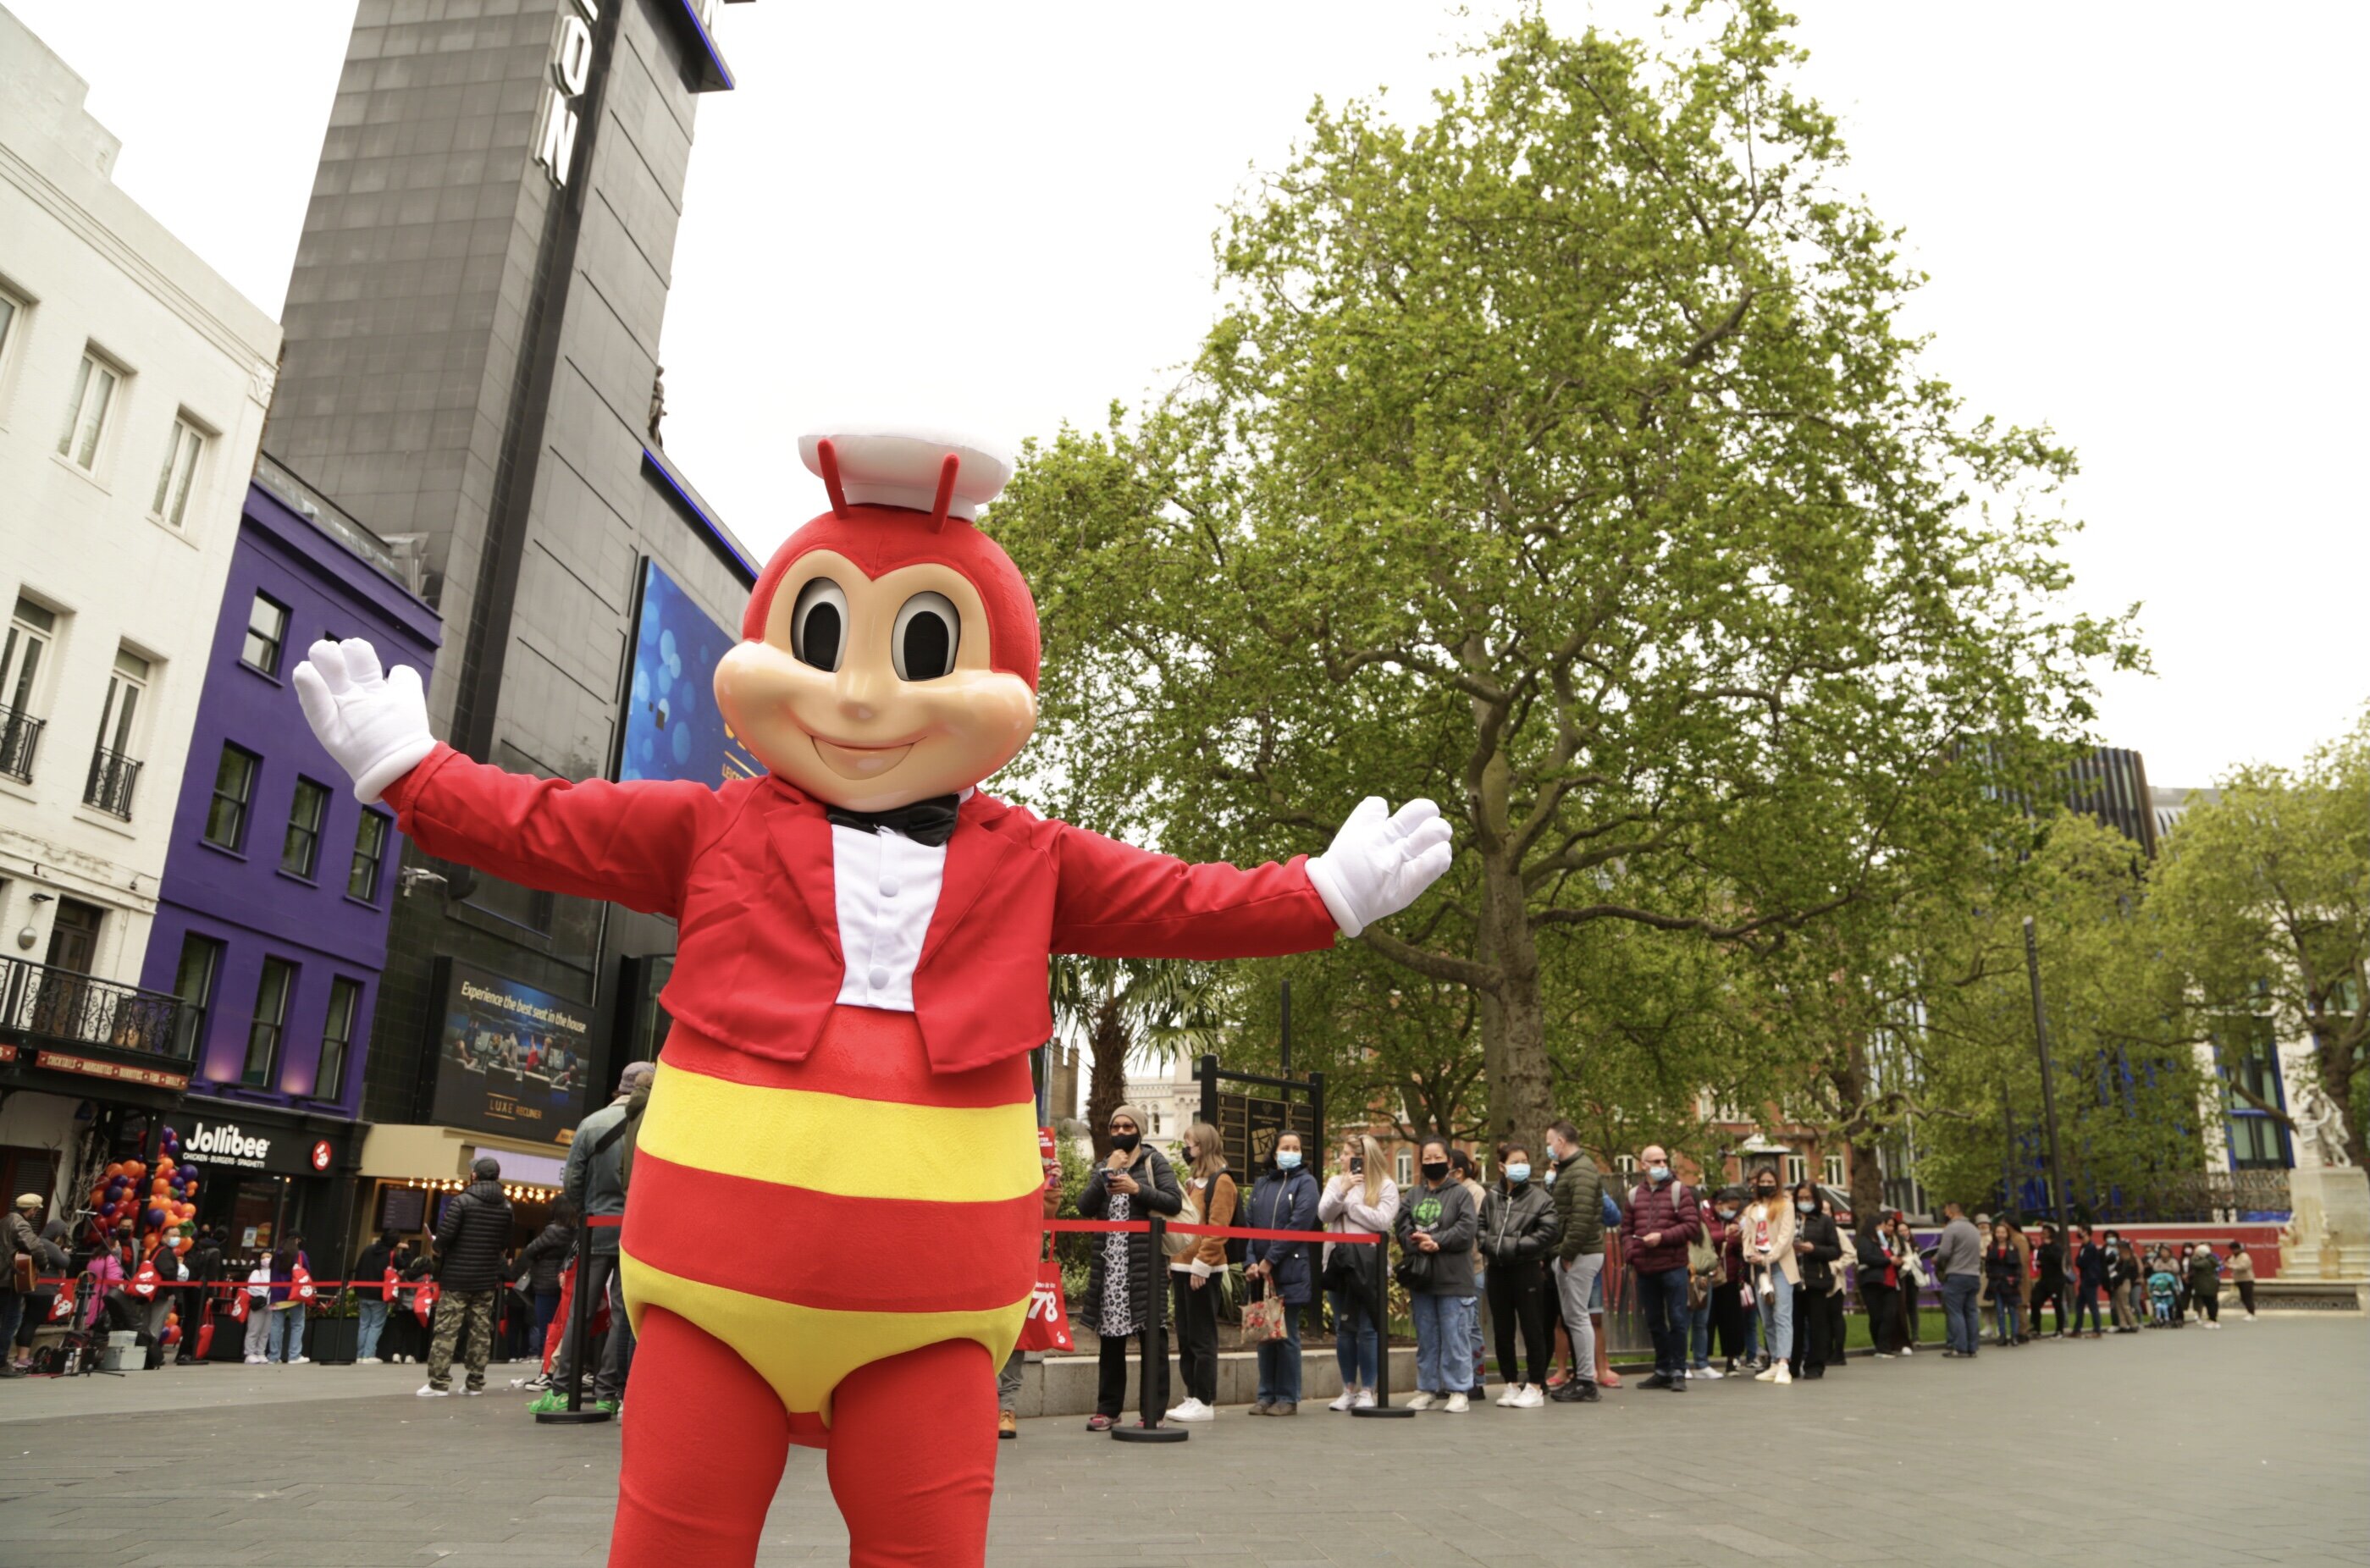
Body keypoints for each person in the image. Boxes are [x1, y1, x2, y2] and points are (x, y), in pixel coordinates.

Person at [532, 1061, 652, 1416]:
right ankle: (608, 1390)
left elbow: (572, 1182)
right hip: (635, 1230)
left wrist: (588, 1210)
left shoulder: (591, 1123)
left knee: (580, 1311)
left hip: (597, 1226)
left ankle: (561, 1385)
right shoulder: (653, 1124)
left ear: (619, 1086)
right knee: (623, 1312)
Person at [1079, 1105, 1182, 1431]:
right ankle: (1108, 1409)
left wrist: (1138, 1189)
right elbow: (1084, 1207)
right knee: (1110, 1341)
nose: (1121, 1132)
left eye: (1127, 1127)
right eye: (1116, 1127)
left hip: (1144, 1266)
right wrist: (1105, 1173)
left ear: (1139, 1129)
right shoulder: (1104, 1165)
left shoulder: (1154, 1162)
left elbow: (1173, 1202)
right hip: (1111, 1268)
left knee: (1153, 1340)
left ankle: (1153, 1411)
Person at [1395, 1138, 1479, 1411]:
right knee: (1427, 1337)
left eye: (1437, 1158)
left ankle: (1459, 1389)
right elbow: (1402, 1224)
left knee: (1456, 1336)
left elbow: (1466, 1230)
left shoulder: (1461, 1194)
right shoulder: (1413, 1195)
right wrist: (1416, 1241)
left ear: (1450, 1162)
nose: (1432, 1163)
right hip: (1422, 1278)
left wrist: (1437, 1241)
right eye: (1427, 1159)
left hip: (1454, 1278)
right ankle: (1427, 1387)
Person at [420, 1157, 512, 1397]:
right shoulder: (506, 1206)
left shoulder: (462, 1202)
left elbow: (446, 1237)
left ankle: (438, 1383)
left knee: (447, 1329)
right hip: (486, 1278)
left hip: (457, 1277)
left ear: (474, 1175)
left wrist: (437, 1246)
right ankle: (474, 1383)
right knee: (481, 1330)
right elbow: (504, 1243)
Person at [1244, 1131, 1320, 1416]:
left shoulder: (1306, 1183)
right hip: (1259, 1274)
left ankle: (1288, 1397)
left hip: (1289, 1271)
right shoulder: (1262, 1184)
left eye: (1296, 1148)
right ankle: (1266, 1395)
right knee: (1265, 1334)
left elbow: (1298, 1225)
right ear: (1274, 1152)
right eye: (1285, 1147)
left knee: (1286, 1335)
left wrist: (1270, 1260)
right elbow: (1248, 1226)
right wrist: (1251, 1262)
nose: (1291, 1151)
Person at [1164, 1121, 1236, 1423]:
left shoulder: (1222, 1181)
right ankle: (1192, 1394)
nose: (1186, 1148)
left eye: (1190, 1143)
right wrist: (1173, 1260)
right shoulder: (1193, 1181)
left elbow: (1218, 1228)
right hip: (1182, 1266)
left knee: (1202, 1335)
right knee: (1185, 1334)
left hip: (1202, 1269)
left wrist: (1202, 1264)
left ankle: (1204, 1399)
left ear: (1203, 1146)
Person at [1478, 1142, 1560, 1407]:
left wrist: (1515, 1246)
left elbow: (1547, 1233)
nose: (1520, 1166)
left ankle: (1535, 1384)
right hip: (1497, 1270)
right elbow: (1480, 1226)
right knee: (1503, 1330)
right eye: (1514, 1161)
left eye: (1524, 1160)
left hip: (1527, 1269)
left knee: (1532, 1327)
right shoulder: (1492, 1196)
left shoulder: (1541, 1198)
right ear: (1502, 1166)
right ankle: (1510, 1382)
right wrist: (1490, 1245)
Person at [1318, 1135, 1396, 1411]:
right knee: (1344, 1328)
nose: (1341, 1159)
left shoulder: (1385, 1185)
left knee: (1367, 1329)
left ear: (1363, 1158)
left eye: (1347, 1154)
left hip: (1369, 1265)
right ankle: (1347, 1388)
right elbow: (1324, 1214)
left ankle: (1368, 1389)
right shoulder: (1335, 1183)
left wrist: (1351, 1205)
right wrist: (1343, 1191)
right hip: (1339, 1264)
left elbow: (1383, 1221)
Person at [1617, 1144, 1701, 1394]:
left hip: (1673, 1266)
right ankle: (1662, 1369)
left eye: (1664, 1161)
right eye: (1656, 1161)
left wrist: (1662, 1237)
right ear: (1643, 1165)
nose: (1662, 1165)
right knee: (1653, 1321)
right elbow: (1626, 1231)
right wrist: (1632, 1255)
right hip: (1645, 1269)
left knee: (1677, 1319)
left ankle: (1678, 1370)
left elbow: (1691, 1226)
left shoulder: (1679, 1191)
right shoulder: (1634, 1195)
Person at [1541, 1121, 1605, 1403]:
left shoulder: (1581, 1171)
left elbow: (1580, 1218)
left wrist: (1566, 1253)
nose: (1548, 1147)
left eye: (1549, 1141)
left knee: (1577, 1317)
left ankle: (1585, 1381)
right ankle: (1583, 1379)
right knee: (1574, 1317)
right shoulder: (1572, 1170)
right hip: (1574, 1253)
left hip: (1578, 1254)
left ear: (1561, 1142)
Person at [1736, 1168, 1796, 1384]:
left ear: (1777, 1184)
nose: (1766, 1184)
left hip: (1780, 1265)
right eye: (1763, 1181)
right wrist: (1748, 1254)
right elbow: (1746, 1236)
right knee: (1767, 1317)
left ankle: (1783, 1363)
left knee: (1782, 1314)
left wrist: (1769, 1257)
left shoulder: (1786, 1206)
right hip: (1758, 1267)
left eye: (1771, 1181)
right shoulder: (1751, 1209)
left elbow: (1786, 1237)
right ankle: (1772, 1362)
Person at [513, 1202, 573, 1383]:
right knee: (561, 1329)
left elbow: (530, 1251)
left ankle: (546, 1371)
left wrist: (540, 1258)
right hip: (565, 1283)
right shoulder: (577, 1233)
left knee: (547, 1329)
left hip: (546, 1285)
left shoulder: (553, 1231)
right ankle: (557, 1369)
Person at [1786, 1183, 1841, 1379]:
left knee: (1818, 1324)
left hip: (1816, 1279)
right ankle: (1791, 1365)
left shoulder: (1824, 1221)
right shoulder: (1789, 1219)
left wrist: (1814, 1249)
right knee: (1794, 1325)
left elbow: (1836, 1250)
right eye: (1800, 1198)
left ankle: (1815, 1365)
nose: (1804, 1202)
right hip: (1792, 1280)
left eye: (1808, 1198)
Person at [1451, 1148, 1489, 1400]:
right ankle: (1457, 1378)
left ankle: (1476, 1379)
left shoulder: (1475, 1192)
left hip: (1471, 1267)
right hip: (1450, 1270)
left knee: (1470, 1325)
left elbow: (1471, 1232)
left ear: (1459, 1171)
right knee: (1454, 1325)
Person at [1710, 1188, 1760, 1373]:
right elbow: (1706, 1238)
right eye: (1730, 1207)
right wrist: (1725, 1235)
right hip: (1711, 1275)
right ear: (1720, 1205)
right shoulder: (1708, 1218)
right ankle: (1703, 1360)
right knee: (1708, 1320)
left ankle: (1733, 1358)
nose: (1732, 1211)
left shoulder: (1736, 1221)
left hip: (1731, 1277)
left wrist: (1740, 1240)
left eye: (1735, 1209)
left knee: (1732, 1320)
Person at [1934, 1201, 1984, 1357]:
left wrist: (1935, 1259)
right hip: (1973, 1275)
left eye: (1945, 1210)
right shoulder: (1974, 1229)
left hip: (1957, 1274)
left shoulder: (1951, 1228)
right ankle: (1972, 1347)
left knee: (1955, 1312)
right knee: (1971, 1311)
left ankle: (1960, 1347)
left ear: (1950, 1211)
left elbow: (1944, 1252)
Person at [1683, 1184, 1722, 1379]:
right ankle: (1682, 1363)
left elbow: (1708, 1248)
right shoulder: (1681, 1224)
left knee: (1701, 1322)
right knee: (1684, 1322)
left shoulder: (1702, 1224)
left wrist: (1712, 1263)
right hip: (1686, 1277)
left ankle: (1702, 1362)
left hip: (1704, 1277)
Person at [1854, 1215, 1903, 1357]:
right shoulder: (1865, 1242)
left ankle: (1885, 1345)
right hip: (1873, 1283)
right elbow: (1865, 1257)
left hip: (1890, 1282)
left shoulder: (1884, 1243)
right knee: (1877, 1316)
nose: (1884, 1229)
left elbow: (1891, 1256)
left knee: (1890, 1314)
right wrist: (1887, 1261)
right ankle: (1881, 1346)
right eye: (1881, 1226)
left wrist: (1897, 1261)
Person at [351, 1229, 400, 1366]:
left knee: (364, 1324)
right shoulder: (391, 1255)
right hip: (379, 1295)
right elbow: (404, 1264)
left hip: (362, 1292)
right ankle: (369, 1354)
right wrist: (406, 1251)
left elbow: (358, 1268)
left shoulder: (367, 1250)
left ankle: (360, 1355)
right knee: (376, 1325)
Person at [266, 1236, 312, 1365]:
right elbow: (307, 1271)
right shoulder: (299, 1255)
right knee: (297, 1325)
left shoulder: (276, 1257)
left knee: (276, 1326)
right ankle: (294, 1355)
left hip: (276, 1296)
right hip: (294, 1295)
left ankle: (273, 1356)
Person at [1888, 1213, 1925, 1352]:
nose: (1904, 1232)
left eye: (1906, 1230)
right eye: (1901, 1230)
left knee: (1913, 1307)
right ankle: (1905, 1336)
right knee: (1901, 1307)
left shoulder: (1915, 1245)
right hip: (1901, 1278)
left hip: (1912, 1279)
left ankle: (1916, 1336)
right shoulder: (1895, 1242)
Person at [1983, 1221, 2024, 1348]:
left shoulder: (2013, 1247)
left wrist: (2015, 1279)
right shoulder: (1991, 1247)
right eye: (1998, 1232)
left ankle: (2014, 1335)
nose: (2000, 1235)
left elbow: (2018, 1265)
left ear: (2007, 1234)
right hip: (1996, 1282)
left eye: (2003, 1232)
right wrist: (1991, 1275)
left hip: (2009, 1283)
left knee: (2012, 1309)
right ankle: (2002, 1335)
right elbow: (1988, 1264)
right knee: (1999, 1310)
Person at [2028, 1224, 2066, 1340]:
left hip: (2056, 1281)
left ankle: (2059, 1330)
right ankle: (2036, 1328)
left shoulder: (2057, 1247)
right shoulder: (2042, 1247)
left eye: (2045, 1231)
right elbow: (2040, 1260)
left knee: (2057, 1304)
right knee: (2034, 1301)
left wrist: (2048, 1250)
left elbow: (2057, 1260)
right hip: (2044, 1279)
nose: (2043, 1233)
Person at [2069, 1226, 2107, 1339]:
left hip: (2090, 1279)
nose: (2078, 1233)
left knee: (2092, 1305)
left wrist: (2079, 1262)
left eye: (2080, 1230)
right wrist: (2079, 1262)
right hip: (2084, 1279)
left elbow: (2082, 1262)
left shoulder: (2091, 1247)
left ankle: (2097, 1330)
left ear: (2086, 1232)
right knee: (2079, 1305)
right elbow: (2077, 1260)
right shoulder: (2084, 1247)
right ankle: (2077, 1329)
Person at [2109, 1235, 2141, 1333]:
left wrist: (2115, 1278)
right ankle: (2123, 1324)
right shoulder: (2122, 1259)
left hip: (2123, 1283)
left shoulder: (2128, 1260)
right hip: (2121, 1282)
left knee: (2124, 1304)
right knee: (2119, 1304)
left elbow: (2123, 1273)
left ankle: (2133, 1324)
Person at [2186, 1243, 2222, 1328]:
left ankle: (2212, 1320)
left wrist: (2193, 1258)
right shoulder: (2211, 1260)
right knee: (2211, 1303)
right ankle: (2213, 1320)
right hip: (2210, 1284)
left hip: (2206, 1285)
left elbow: (2195, 1264)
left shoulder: (2206, 1261)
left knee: (2209, 1303)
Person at [2146, 1254, 2180, 1326]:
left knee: (2172, 1304)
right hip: (2157, 1294)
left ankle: (2170, 1318)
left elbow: (2175, 1271)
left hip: (2168, 1294)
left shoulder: (2170, 1277)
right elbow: (2151, 1285)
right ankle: (2158, 1318)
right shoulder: (2155, 1277)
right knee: (2157, 1305)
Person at [2228, 1241, 2257, 1322]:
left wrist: (2232, 1266)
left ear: (2239, 1249)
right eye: (2232, 1250)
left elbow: (2244, 1267)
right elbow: (2230, 1262)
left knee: (2248, 1297)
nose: (2233, 1251)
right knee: (2243, 1297)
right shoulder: (2233, 1257)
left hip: (2247, 1279)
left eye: (2234, 1249)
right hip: (2238, 1279)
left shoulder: (2245, 1256)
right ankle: (2249, 1312)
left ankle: (2252, 1314)